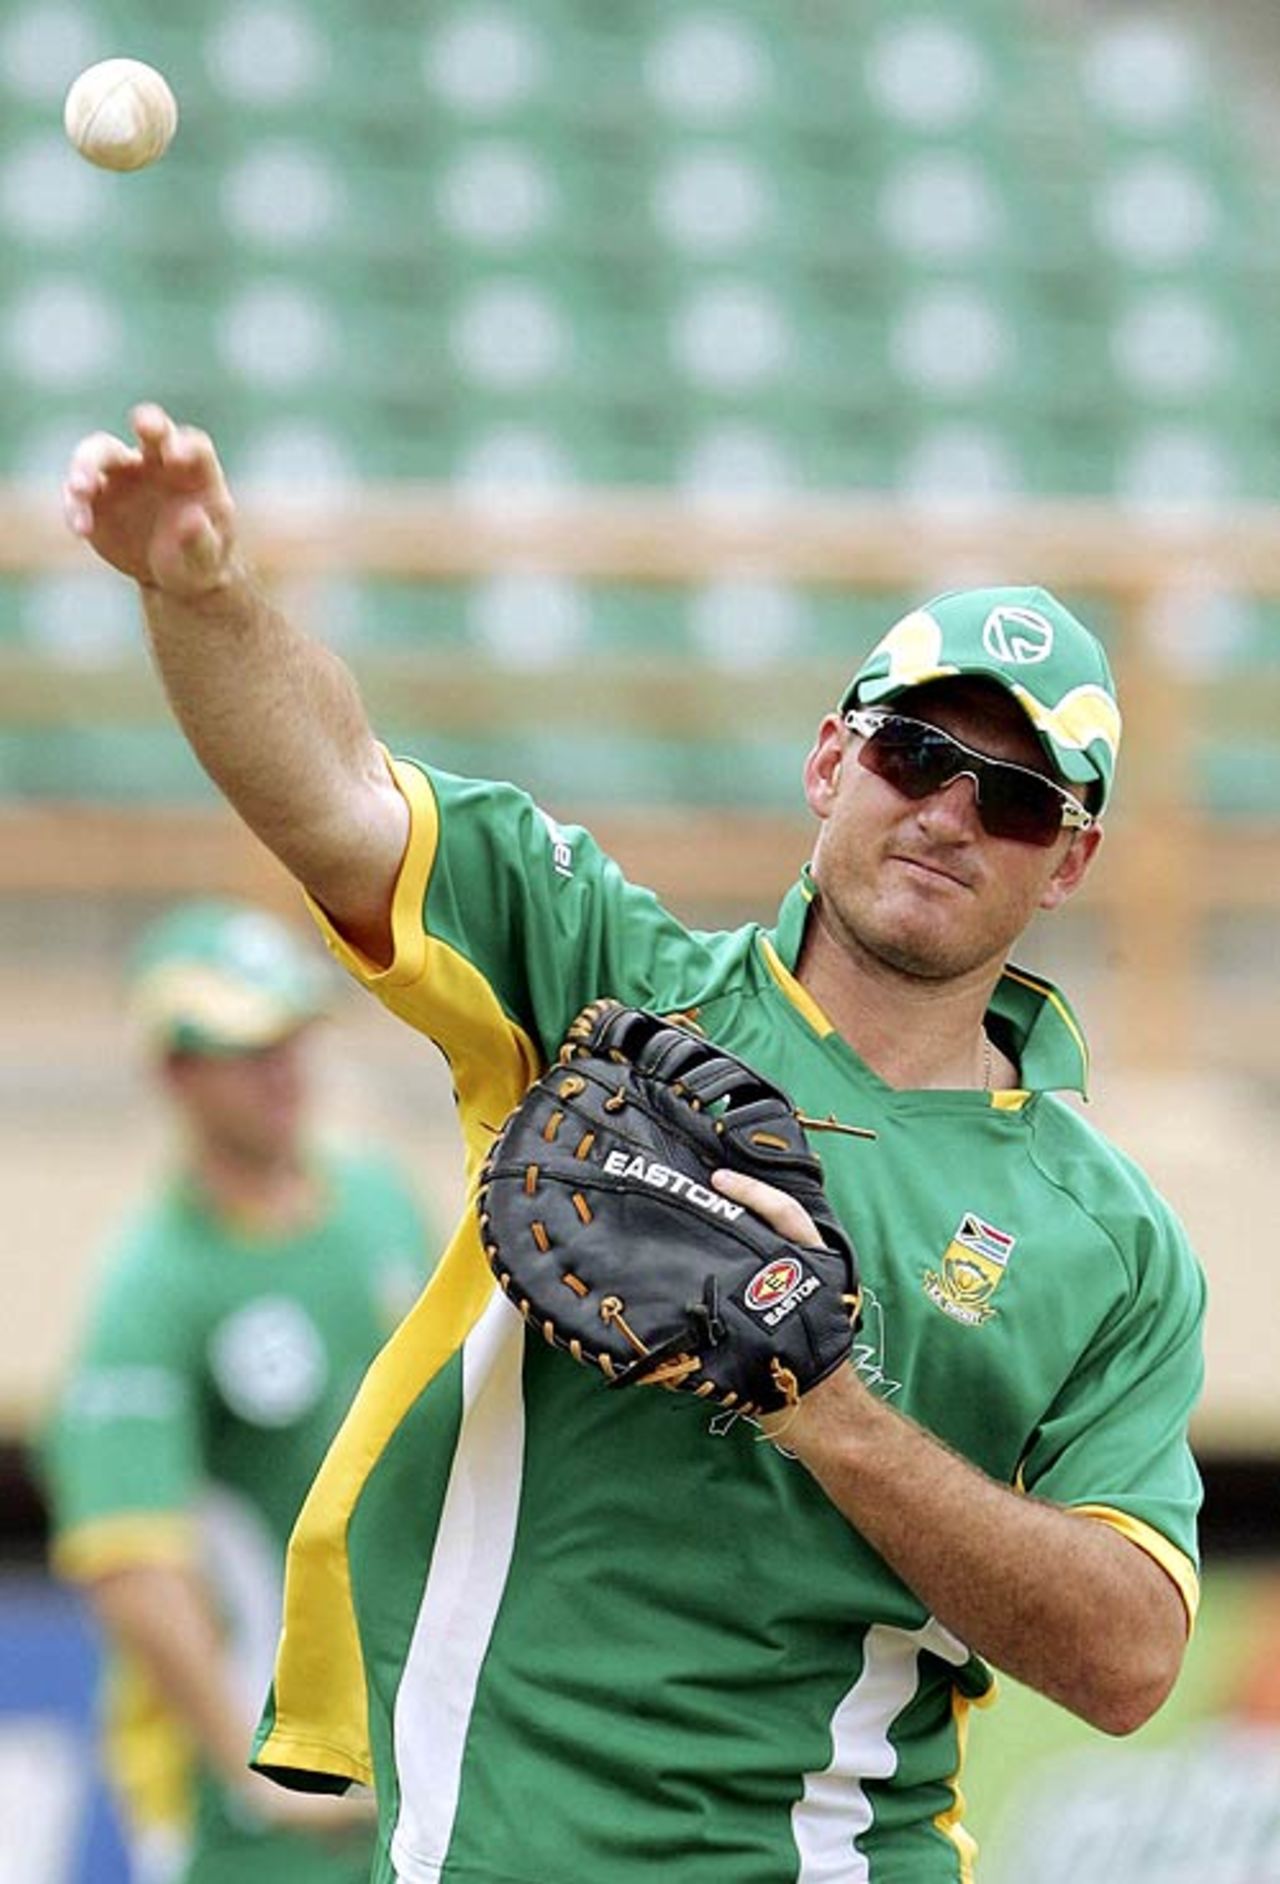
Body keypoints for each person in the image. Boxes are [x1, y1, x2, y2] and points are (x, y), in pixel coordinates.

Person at [61, 405, 1205, 1883]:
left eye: (1018, 793)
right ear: (828, 763)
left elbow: (1130, 1661)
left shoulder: (1107, 1241)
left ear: (1072, 860)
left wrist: (828, 1406)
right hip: (497, 1850)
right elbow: (336, 798)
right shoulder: (603, 976)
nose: (948, 811)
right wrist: (203, 595)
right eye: (915, 750)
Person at [42, 894, 437, 1884]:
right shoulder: (152, 1286)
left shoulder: (379, 1203)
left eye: (293, 1032)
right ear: (177, 1070)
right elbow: (129, 1557)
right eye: (248, 1044)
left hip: (399, 1758)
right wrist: (247, 1768)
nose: (283, 1067)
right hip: (257, 1808)